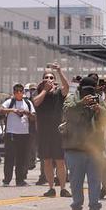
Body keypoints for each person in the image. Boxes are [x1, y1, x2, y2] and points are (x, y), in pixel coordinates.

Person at [62, 76, 106, 210]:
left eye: (91, 90)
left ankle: (95, 209)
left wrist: (99, 110)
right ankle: (76, 207)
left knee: (95, 181)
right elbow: (67, 112)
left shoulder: (98, 99)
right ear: (80, 88)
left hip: (95, 148)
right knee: (76, 181)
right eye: (86, 90)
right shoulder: (72, 97)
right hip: (75, 147)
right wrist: (81, 103)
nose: (88, 93)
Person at [33, 65, 71, 197]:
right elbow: (36, 103)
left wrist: (60, 71)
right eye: (46, 78)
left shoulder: (58, 93)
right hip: (44, 133)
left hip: (57, 132)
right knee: (47, 161)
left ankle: (63, 188)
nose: (48, 79)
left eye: (51, 78)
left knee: (60, 161)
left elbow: (67, 87)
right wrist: (44, 90)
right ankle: (50, 188)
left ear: (55, 81)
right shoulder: (39, 92)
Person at [0, 83, 35, 187]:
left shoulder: (28, 103)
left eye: (21, 91)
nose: (19, 93)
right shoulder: (10, 102)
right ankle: (7, 180)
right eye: (16, 91)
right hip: (11, 133)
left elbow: (33, 117)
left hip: (24, 133)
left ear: (23, 92)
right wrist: (13, 110)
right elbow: (1, 110)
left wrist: (26, 113)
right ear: (14, 92)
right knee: (9, 157)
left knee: (22, 158)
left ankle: (20, 180)